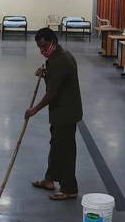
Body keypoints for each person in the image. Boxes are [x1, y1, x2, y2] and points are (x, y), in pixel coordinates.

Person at [25, 27, 83, 200]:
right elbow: (57, 80)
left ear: (53, 42)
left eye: (44, 46)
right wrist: (45, 74)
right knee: (56, 145)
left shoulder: (60, 61)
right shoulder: (58, 56)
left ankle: (69, 188)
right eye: (39, 48)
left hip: (66, 113)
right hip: (60, 111)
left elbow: (52, 93)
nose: (42, 51)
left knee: (65, 150)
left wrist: (34, 109)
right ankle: (49, 179)